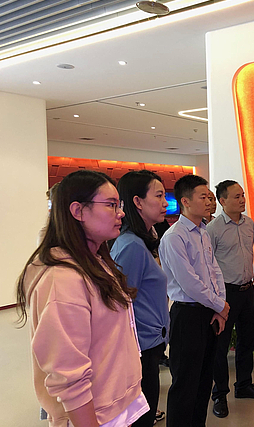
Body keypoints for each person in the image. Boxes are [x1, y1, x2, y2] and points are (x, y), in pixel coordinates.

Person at [16, 170, 146, 427]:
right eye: (111, 205)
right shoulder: (63, 278)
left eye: (118, 205)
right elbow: (68, 375)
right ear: (78, 211)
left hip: (113, 404)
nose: (120, 213)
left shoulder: (95, 260)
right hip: (93, 414)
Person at [159, 174, 230, 427]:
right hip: (187, 315)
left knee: (203, 380)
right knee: (185, 383)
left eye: (210, 197)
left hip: (208, 312)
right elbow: (189, 283)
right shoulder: (174, 236)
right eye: (204, 197)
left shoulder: (202, 232)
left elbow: (214, 270)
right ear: (185, 201)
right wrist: (220, 305)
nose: (210, 202)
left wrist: (220, 306)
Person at [110, 170, 170, 427]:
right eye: (159, 196)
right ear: (137, 202)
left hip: (149, 343)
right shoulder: (131, 245)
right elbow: (122, 302)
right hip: (140, 347)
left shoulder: (141, 241)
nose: (165, 203)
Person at [208, 180, 254, 419]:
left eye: (243, 195)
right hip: (225, 293)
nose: (242, 200)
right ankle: (219, 395)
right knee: (220, 346)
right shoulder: (213, 229)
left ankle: (244, 385)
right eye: (236, 197)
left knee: (247, 339)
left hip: (247, 290)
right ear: (222, 201)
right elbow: (208, 264)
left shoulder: (249, 224)